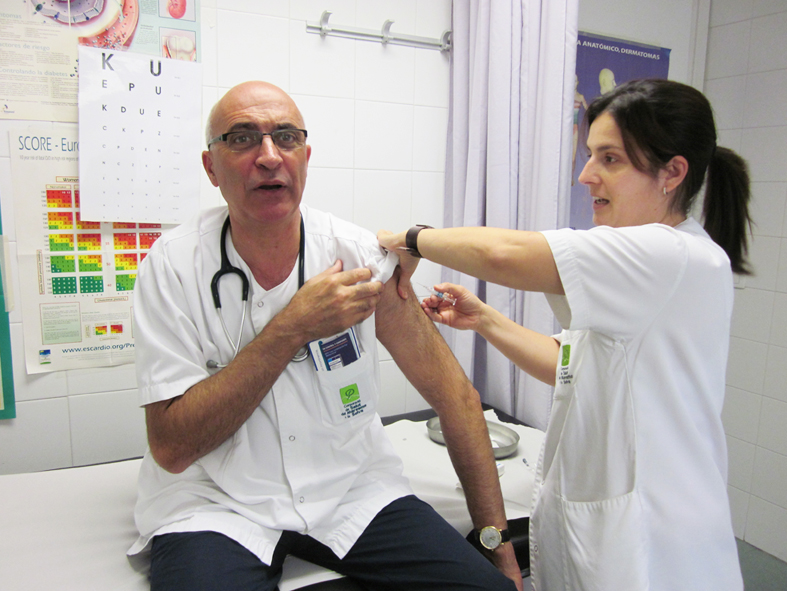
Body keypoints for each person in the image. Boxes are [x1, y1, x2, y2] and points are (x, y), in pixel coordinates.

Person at [127, 81, 522, 591]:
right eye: (243, 138)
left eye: (285, 137)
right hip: (216, 503)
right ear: (211, 167)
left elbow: (457, 399)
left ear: (305, 157)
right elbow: (173, 447)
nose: (269, 156)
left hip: (351, 491)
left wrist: (500, 553)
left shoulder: (360, 257)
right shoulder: (171, 268)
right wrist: (293, 326)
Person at [379, 79, 749, 591]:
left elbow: (503, 253)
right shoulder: (647, 261)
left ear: (673, 172)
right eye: (589, 154)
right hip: (609, 534)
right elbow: (570, 366)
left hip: (653, 547)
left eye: (609, 159)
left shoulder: (668, 255)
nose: (585, 174)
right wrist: (484, 318)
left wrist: (408, 239)